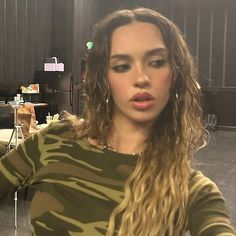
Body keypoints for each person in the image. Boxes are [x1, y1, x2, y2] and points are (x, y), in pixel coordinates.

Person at [0, 7, 235, 236]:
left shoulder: (191, 190)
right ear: (104, 78)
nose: (141, 78)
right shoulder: (54, 140)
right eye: (122, 66)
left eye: (156, 62)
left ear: (175, 75)